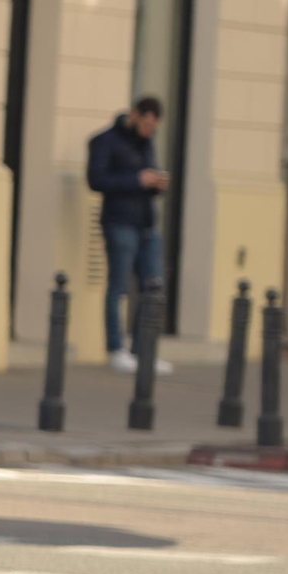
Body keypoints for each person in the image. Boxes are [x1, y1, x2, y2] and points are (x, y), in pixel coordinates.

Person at [88, 95, 174, 375]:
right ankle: (116, 348)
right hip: (119, 223)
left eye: (154, 127)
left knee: (153, 286)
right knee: (119, 287)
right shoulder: (105, 141)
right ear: (136, 115)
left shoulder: (146, 143)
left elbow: (146, 182)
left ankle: (144, 351)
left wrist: (156, 184)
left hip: (147, 224)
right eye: (147, 124)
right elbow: (96, 180)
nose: (150, 131)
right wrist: (136, 180)